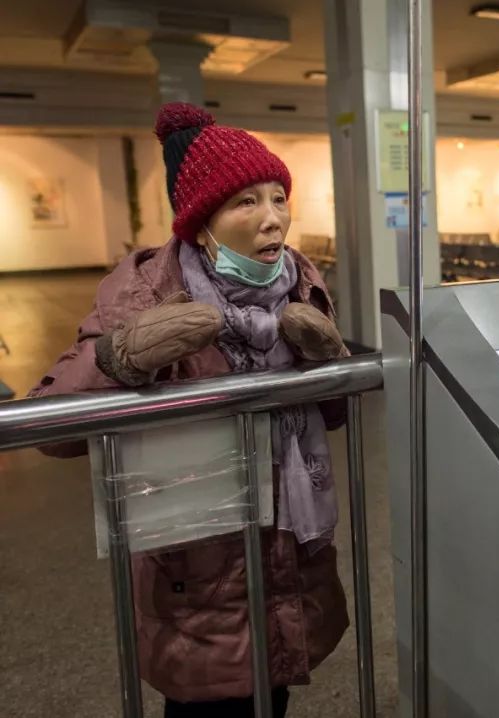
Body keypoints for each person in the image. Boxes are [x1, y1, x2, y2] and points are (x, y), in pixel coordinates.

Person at [29, 103, 351, 717]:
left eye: (278, 196)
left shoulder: (299, 282)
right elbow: (52, 427)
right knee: (207, 700)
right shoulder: (146, 289)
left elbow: (331, 416)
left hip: (288, 551)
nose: (272, 219)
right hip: (198, 564)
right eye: (245, 202)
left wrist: (331, 362)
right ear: (201, 222)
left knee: (271, 691)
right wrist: (120, 358)